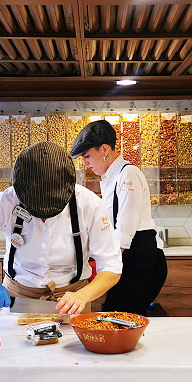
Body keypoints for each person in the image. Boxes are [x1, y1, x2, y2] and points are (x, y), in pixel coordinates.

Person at [0, 141, 122, 316]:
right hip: (17, 299)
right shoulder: (6, 201)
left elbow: (112, 267)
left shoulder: (89, 204)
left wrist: (84, 296)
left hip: (72, 303)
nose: (42, 216)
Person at [69, 119, 167, 316]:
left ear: (104, 149)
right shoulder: (108, 178)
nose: (85, 163)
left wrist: (98, 264)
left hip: (140, 258)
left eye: (87, 156)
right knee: (117, 315)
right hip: (128, 259)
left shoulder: (127, 174)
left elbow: (124, 231)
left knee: (117, 315)